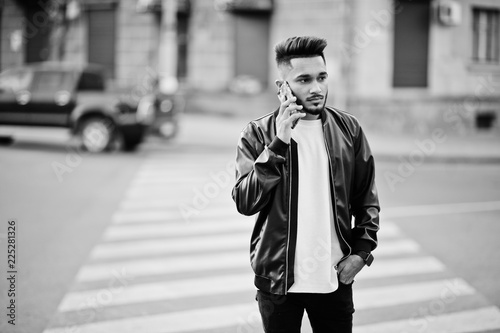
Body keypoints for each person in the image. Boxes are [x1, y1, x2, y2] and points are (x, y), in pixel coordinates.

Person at [231, 36, 380, 332]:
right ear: (282, 87)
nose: (316, 88)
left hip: (334, 280)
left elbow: (367, 198)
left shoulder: (348, 129)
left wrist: (362, 252)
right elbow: (245, 202)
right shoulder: (258, 133)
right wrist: (279, 143)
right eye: (304, 79)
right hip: (278, 283)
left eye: (321, 77)